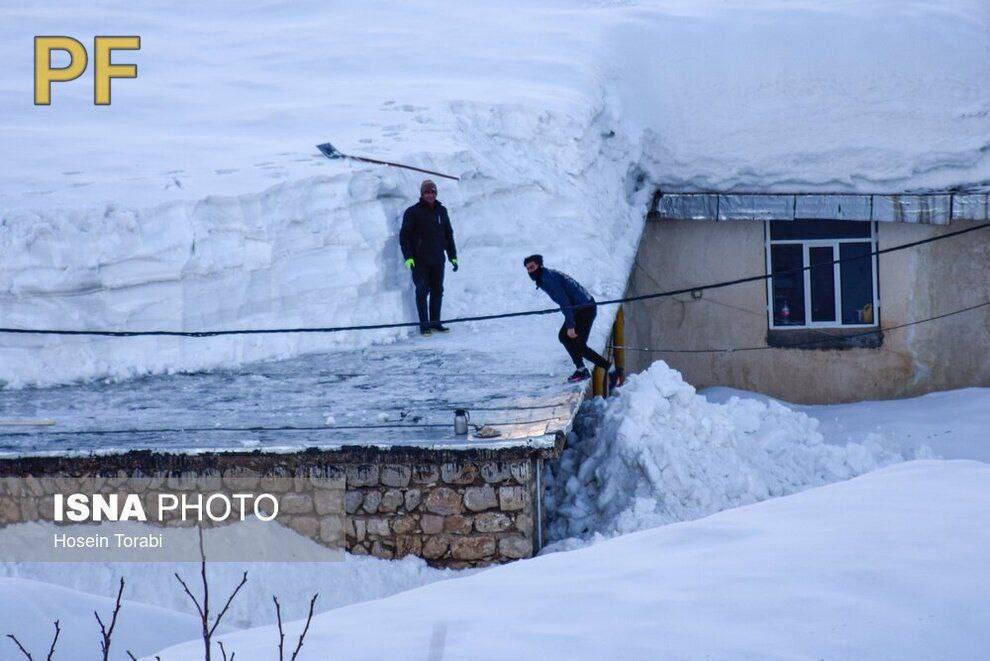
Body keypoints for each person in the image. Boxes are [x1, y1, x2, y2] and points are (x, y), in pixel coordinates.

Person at [523, 254, 610, 383]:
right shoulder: (545, 276)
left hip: (585, 309)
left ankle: (611, 370)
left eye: (532, 267)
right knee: (564, 337)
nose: (530, 271)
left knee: (579, 345)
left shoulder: (547, 278)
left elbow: (564, 302)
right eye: (528, 269)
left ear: (540, 265)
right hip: (579, 308)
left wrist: (570, 325)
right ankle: (581, 369)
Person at [400, 180, 458, 335]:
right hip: (420, 261)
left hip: (438, 259)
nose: (430, 195)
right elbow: (404, 236)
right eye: (426, 192)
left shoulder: (442, 211)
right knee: (422, 291)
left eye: (432, 192)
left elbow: (448, 235)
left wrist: (453, 256)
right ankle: (424, 326)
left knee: (437, 290)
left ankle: (435, 323)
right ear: (422, 194)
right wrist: (408, 257)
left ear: (436, 193)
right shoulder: (413, 212)